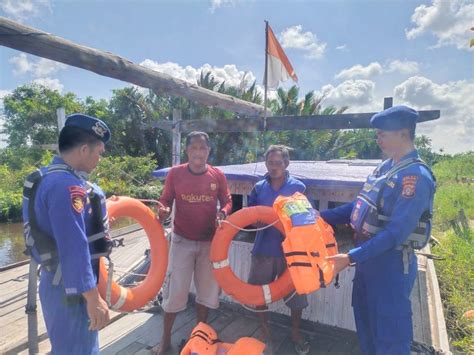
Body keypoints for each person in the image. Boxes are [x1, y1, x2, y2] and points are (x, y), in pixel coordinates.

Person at [320, 105, 436, 355]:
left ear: (403, 133)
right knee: (366, 328)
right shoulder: (384, 169)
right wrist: (319, 217)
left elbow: (396, 233)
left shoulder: (415, 177)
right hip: (368, 262)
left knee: (390, 339)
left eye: (383, 133)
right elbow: (358, 206)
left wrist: (350, 257)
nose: (378, 138)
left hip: (391, 266)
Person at [22, 113, 112, 354]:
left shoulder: (46, 178)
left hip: (57, 283)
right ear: (84, 149)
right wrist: (93, 299)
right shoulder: (67, 187)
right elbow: (74, 246)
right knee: (79, 350)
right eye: (99, 152)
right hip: (71, 291)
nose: (99, 159)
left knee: (65, 348)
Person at [156, 131, 232, 354]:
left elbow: (227, 200)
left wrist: (224, 213)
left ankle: (199, 339)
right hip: (182, 241)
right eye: (194, 148)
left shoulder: (217, 175)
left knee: (206, 293)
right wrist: (163, 209)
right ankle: (165, 340)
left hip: (210, 243)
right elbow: (165, 198)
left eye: (203, 148)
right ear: (187, 151)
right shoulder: (175, 174)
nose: (198, 152)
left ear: (209, 151)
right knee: (174, 294)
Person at [247, 145, 310, 355]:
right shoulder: (257, 188)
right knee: (259, 293)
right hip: (263, 249)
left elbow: (305, 220)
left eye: (279, 163)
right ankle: (265, 333)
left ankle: (295, 333)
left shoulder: (298, 187)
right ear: (266, 164)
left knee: (296, 296)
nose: (274, 167)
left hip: (291, 252)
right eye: (270, 163)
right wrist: (257, 222)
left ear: (287, 164)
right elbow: (248, 217)